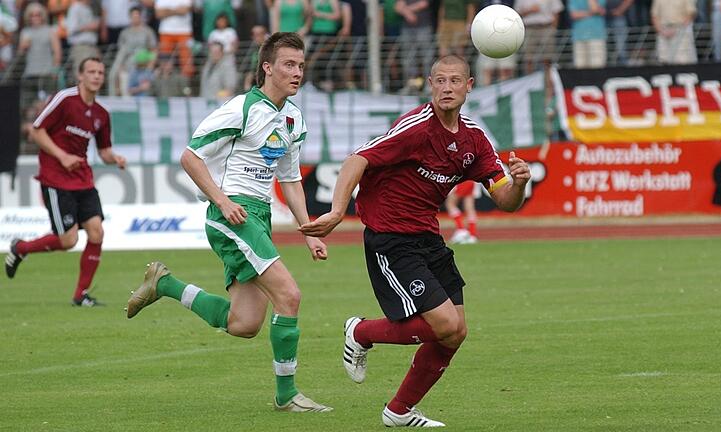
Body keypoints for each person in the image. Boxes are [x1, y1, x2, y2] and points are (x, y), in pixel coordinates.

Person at [299, 54, 531, 427]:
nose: (447, 87)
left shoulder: (474, 139)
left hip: (427, 237)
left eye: (455, 80)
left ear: (469, 86)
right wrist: (338, 211)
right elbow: (356, 159)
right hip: (391, 237)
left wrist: (518, 183)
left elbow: (505, 200)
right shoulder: (417, 127)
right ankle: (359, 331)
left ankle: (399, 411)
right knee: (442, 324)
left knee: (456, 332)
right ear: (430, 84)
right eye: (440, 80)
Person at [126, 32, 332, 413]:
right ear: (267, 68)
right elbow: (191, 156)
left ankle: (166, 285)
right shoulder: (241, 108)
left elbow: (290, 179)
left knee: (244, 323)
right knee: (289, 296)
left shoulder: (292, 118)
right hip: (232, 214)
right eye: (289, 64)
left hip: (259, 216)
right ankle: (287, 396)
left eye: (301, 66)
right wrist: (222, 201)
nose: (297, 72)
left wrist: (308, 231)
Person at [5, 57, 127, 307]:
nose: (96, 76)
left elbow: (104, 152)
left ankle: (80, 295)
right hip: (55, 178)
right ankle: (21, 248)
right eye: (91, 71)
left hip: (83, 179)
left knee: (97, 232)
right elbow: (36, 130)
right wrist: (62, 156)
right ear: (80, 76)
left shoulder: (102, 114)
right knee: (68, 240)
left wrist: (115, 158)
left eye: (101, 72)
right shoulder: (64, 99)